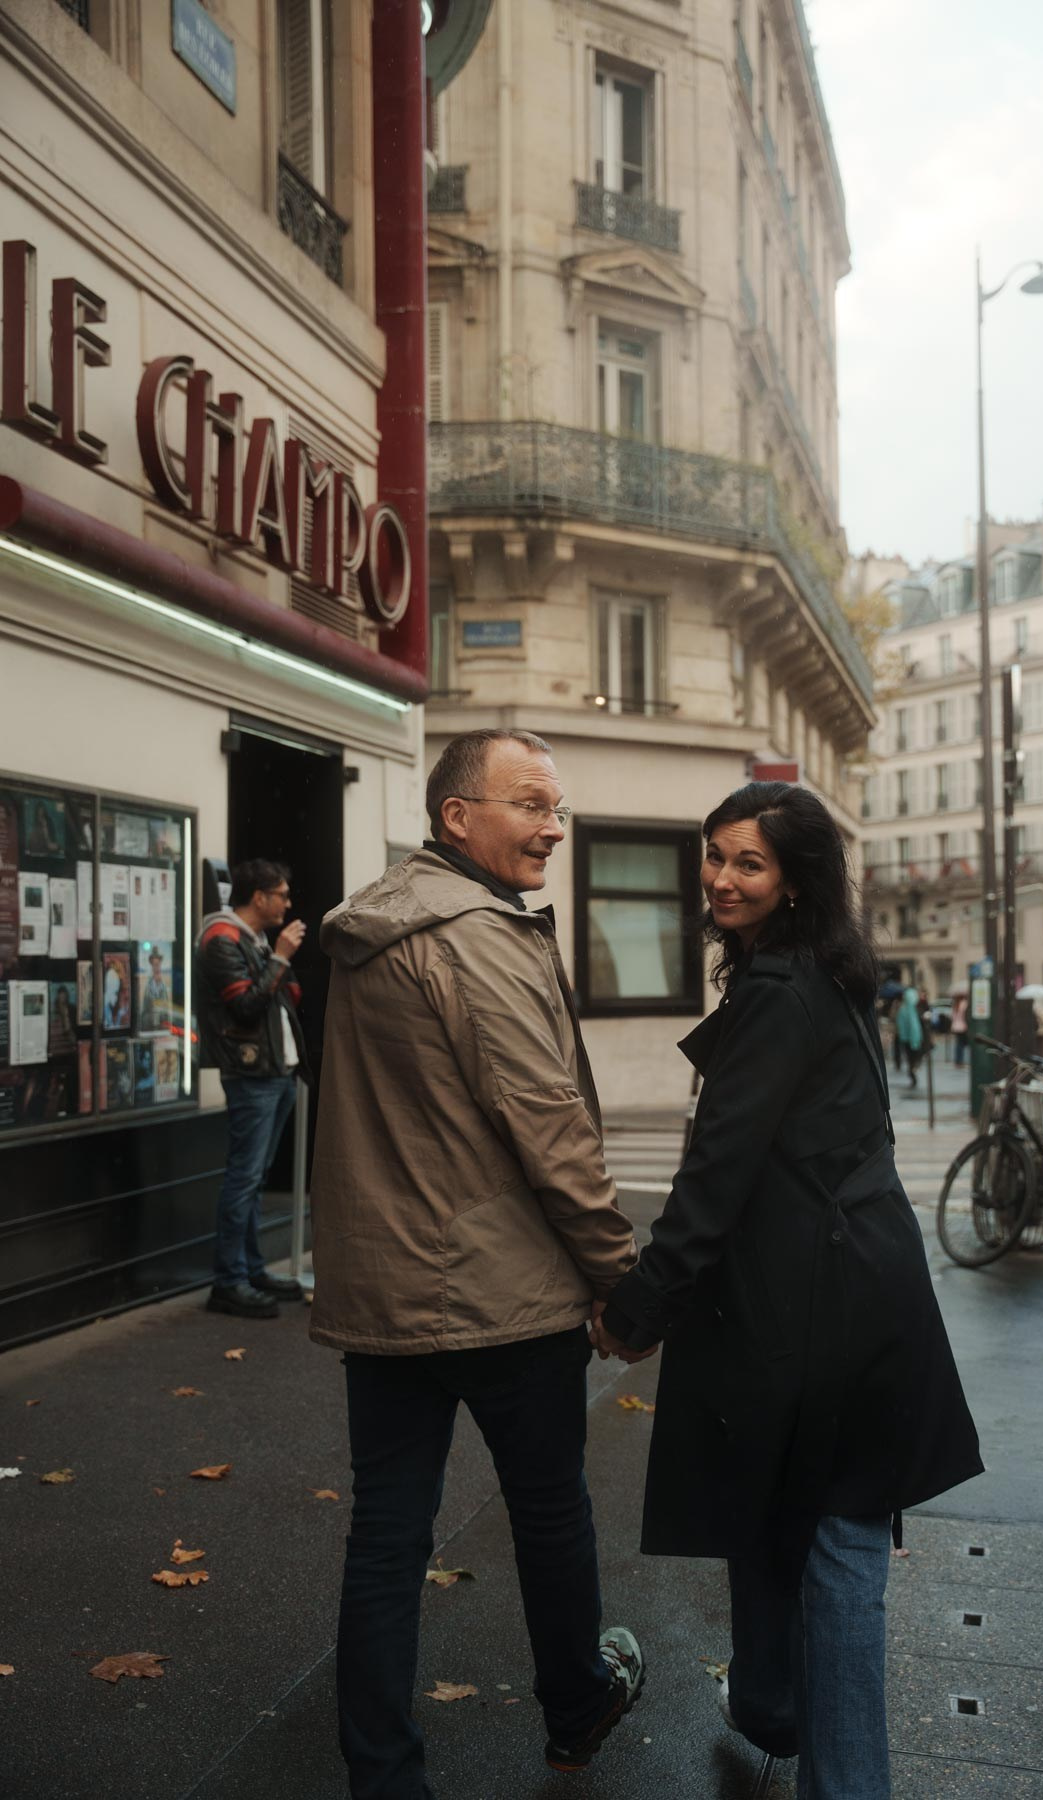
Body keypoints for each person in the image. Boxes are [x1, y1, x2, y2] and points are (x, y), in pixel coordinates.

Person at [594, 781, 983, 1800]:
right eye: (715, 856)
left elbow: (715, 1173)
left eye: (749, 863)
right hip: (842, 1288)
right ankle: (770, 1706)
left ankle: (844, 1779)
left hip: (822, 1307)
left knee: (839, 1545)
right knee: (786, 1515)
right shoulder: (820, 971)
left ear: (797, 880)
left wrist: (640, 1307)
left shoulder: (780, 991)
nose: (722, 879)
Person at [309, 729, 647, 1800]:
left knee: (386, 1535)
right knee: (548, 1511)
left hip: (387, 1289)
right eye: (531, 804)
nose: (554, 827)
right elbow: (548, 1126)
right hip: (505, 1292)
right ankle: (578, 1707)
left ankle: (383, 1775)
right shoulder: (477, 934)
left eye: (558, 808)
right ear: (457, 816)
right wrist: (620, 1278)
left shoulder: (375, 926)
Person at [195, 859, 309, 1320]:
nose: (287, 903)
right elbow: (245, 1006)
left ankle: (251, 1270)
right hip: (252, 1075)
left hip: (275, 1071)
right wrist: (279, 958)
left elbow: (288, 995)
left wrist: (277, 962)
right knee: (243, 1179)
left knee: (255, 1179)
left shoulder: (253, 939)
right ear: (259, 897)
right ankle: (229, 1281)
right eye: (281, 894)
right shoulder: (221, 939)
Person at [894, 985, 925, 1088]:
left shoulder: (902, 1009)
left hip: (905, 1039)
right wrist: (915, 1040)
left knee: (910, 1059)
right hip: (913, 1040)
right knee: (913, 1059)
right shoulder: (912, 1010)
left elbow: (900, 1025)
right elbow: (914, 1027)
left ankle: (912, 1073)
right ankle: (912, 1072)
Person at [950, 990, 969, 1066]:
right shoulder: (964, 1004)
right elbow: (965, 1016)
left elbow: (952, 1016)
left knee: (958, 1044)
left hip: (956, 1026)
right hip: (963, 1026)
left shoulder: (955, 1004)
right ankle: (960, 1061)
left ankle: (958, 1061)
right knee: (962, 1044)